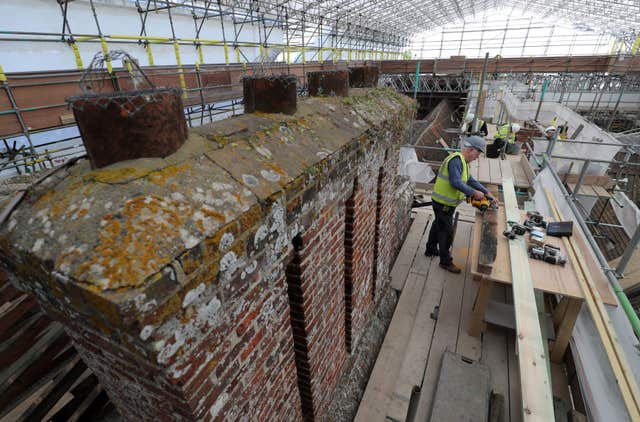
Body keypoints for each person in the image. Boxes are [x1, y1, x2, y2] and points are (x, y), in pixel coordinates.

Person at [426, 136, 497, 273]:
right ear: (471, 150)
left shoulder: (463, 162)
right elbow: (455, 182)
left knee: (438, 224)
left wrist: (486, 192)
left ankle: (430, 249)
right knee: (446, 232)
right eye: (478, 154)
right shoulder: (456, 161)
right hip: (443, 203)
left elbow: (470, 180)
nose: (477, 157)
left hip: (445, 203)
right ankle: (445, 262)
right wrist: (474, 193)